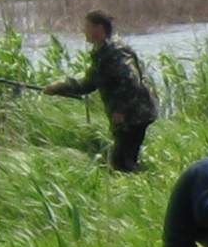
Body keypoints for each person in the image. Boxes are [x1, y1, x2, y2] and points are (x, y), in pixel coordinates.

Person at [44, 10, 160, 172]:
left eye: (87, 27)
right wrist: (59, 87)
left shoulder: (115, 51)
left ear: (98, 28)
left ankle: (150, 178)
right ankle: (146, 177)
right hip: (131, 114)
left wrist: (120, 109)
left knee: (122, 162)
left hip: (135, 113)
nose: (84, 31)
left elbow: (131, 80)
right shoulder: (103, 52)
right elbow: (88, 84)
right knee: (123, 161)